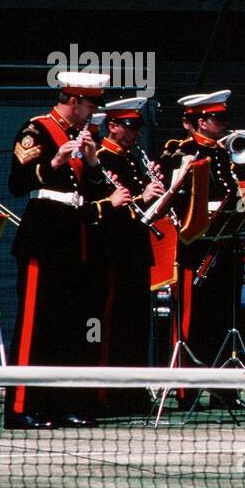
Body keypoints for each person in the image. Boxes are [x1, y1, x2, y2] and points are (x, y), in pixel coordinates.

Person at [4, 72, 132, 429]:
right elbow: (17, 182)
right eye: (90, 105)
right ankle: (20, 407)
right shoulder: (37, 130)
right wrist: (55, 162)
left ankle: (60, 404)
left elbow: (92, 191)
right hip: (44, 233)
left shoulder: (82, 136)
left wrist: (91, 163)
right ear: (73, 101)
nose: (93, 114)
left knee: (68, 328)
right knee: (34, 325)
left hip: (75, 238)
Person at [158, 91, 244, 412]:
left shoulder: (226, 154)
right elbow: (175, 199)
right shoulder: (183, 152)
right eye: (217, 118)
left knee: (225, 317)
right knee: (193, 321)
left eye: (224, 118)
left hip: (225, 245)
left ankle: (224, 389)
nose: (224, 124)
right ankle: (186, 391)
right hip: (195, 249)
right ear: (199, 121)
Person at [92, 97, 166, 416]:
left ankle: (132, 393)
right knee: (111, 327)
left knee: (135, 327)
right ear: (113, 126)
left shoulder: (133, 160)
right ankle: (106, 395)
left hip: (136, 252)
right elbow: (104, 209)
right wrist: (141, 196)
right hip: (112, 253)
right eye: (130, 127)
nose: (136, 134)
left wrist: (159, 192)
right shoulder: (100, 160)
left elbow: (141, 210)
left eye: (138, 127)